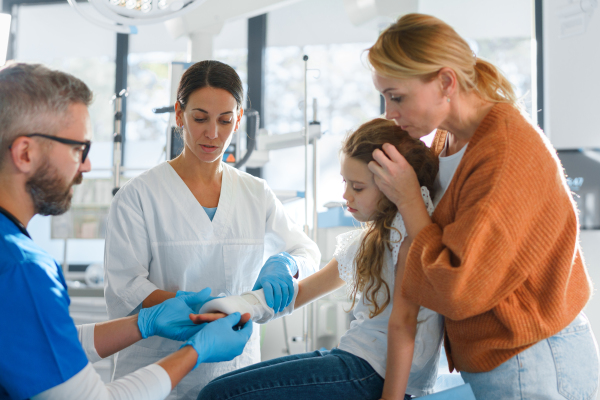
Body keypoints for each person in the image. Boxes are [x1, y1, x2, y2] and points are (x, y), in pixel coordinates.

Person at [366, 13, 599, 399]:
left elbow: (460, 289)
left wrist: (409, 199)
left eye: (397, 96)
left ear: (445, 82)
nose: (390, 112)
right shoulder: (446, 140)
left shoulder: (504, 152)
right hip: (507, 356)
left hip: (532, 356)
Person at [0, 62, 253, 400]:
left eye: (224, 120)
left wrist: (143, 324)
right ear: (25, 153)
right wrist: (196, 352)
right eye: (78, 149)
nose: (87, 165)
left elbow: (38, 342)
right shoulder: (21, 269)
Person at [104, 60, 321, 399]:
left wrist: (286, 264)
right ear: (179, 115)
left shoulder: (255, 193)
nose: (213, 133)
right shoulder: (139, 196)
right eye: (200, 118)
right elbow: (126, 289)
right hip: (156, 373)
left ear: (238, 118)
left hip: (235, 372)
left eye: (224, 120)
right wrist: (199, 310)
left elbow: (306, 251)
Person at [195, 118, 444, 400]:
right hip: (357, 360)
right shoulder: (372, 239)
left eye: (358, 187)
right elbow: (303, 292)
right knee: (217, 391)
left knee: (218, 395)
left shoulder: (408, 235)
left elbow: (404, 325)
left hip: (374, 372)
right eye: (345, 182)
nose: (346, 195)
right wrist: (232, 307)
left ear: (391, 185)